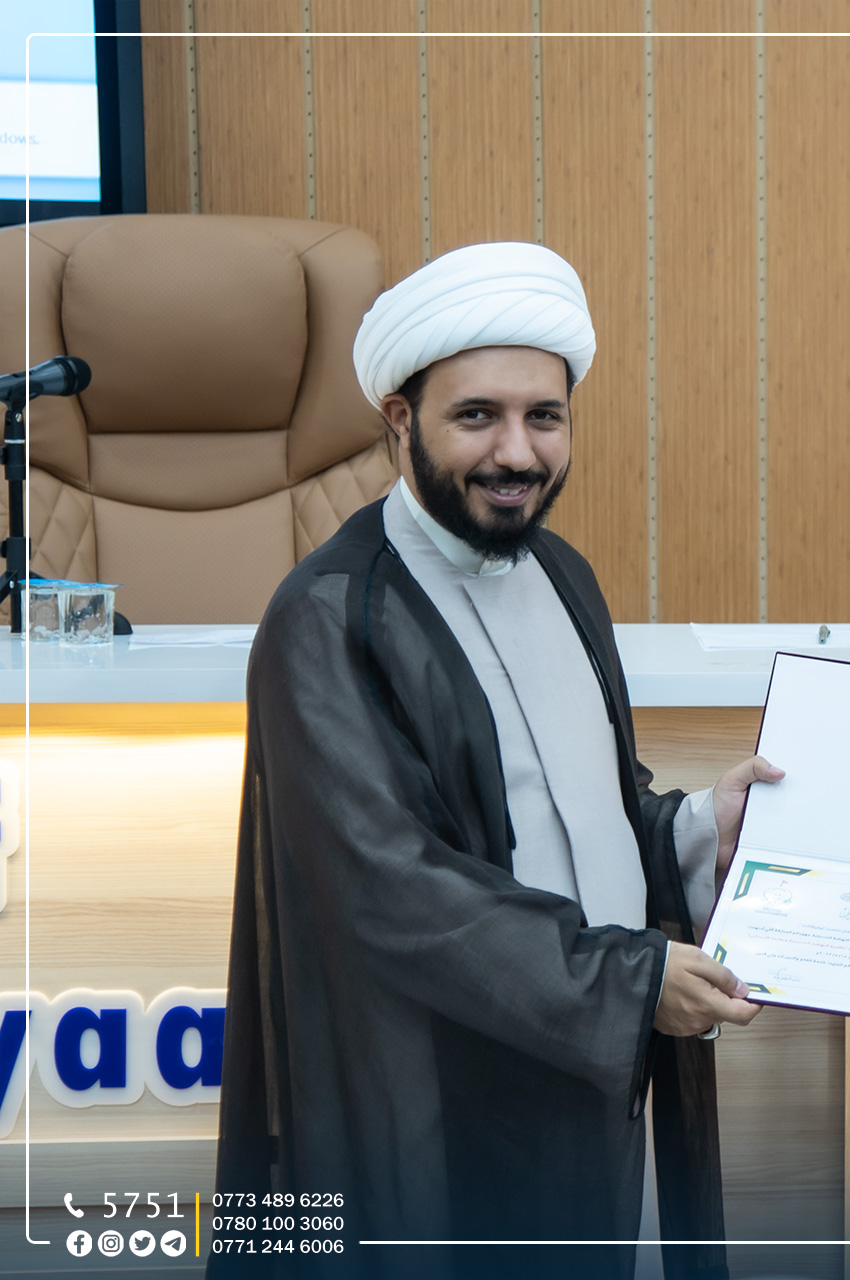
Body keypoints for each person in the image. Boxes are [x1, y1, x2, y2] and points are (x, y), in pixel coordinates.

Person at [215, 242, 772, 1280]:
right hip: (444, 1111)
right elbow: (394, 890)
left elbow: (589, 808)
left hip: (594, 1083)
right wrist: (629, 984)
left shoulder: (561, 572)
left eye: (543, 416)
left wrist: (700, 827)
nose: (517, 452)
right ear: (399, 418)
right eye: (477, 415)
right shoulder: (328, 616)